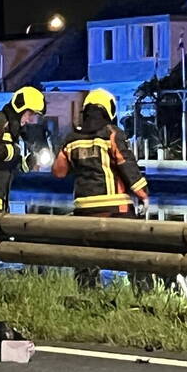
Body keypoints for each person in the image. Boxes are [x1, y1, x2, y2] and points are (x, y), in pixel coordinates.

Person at [52, 88, 149, 287]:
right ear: (109, 110)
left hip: (84, 209)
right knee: (138, 251)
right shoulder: (113, 135)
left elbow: (59, 172)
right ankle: (143, 290)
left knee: (85, 256)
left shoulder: (71, 139)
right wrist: (143, 194)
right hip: (115, 208)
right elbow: (127, 165)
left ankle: (87, 292)